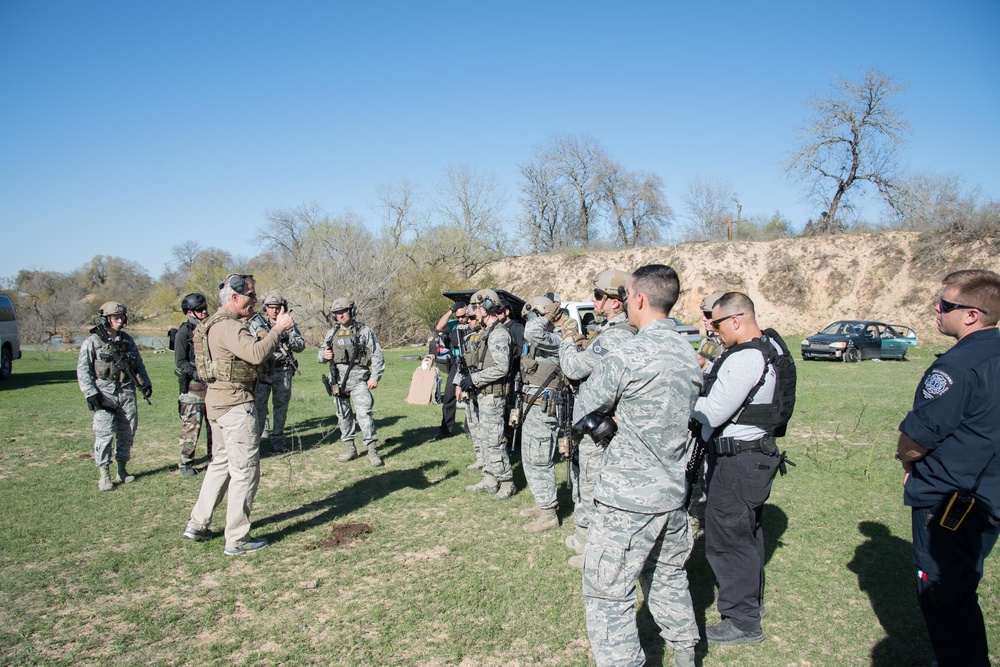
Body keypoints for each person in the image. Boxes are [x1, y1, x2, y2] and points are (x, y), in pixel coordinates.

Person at [580, 264, 702, 667]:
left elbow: (586, 406)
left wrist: (614, 418)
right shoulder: (688, 354)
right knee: (667, 577)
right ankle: (685, 653)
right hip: (672, 493)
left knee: (608, 595)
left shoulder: (628, 353)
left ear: (639, 299)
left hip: (628, 499)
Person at [896, 269, 1000, 667]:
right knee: (963, 583)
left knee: (944, 595)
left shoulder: (957, 367)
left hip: (952, 503)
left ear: (972, 315)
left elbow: (917, 439)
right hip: (987, 496)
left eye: (945, 305)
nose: (936, 310)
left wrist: (906, 459)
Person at [691, 292, 784, 644]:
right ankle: (749, 606)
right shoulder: (761, 349)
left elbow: (713, 412)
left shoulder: (745, 357)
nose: (712, 330)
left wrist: (684, 400)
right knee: (746, 534)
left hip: (739, 461)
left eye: (715, 323)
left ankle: (741, 620)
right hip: (749, 458)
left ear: (735, 319)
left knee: (728, 539)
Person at [183, 274, 294, 555]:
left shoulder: (212, 325)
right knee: (244, 471)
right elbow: (256, 355)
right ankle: (237, 539)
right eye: (251, 296)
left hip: (217, 403)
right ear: (234, 298)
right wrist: (277, 329)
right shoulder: (230, 327)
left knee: (219, 464)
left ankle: (198, 523)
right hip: (235, 406)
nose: (255, 300)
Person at [560, 269, 637, 568]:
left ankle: (594, 547)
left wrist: (567, 340)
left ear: (615, 302)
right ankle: (584, 539)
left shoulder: (616, 335)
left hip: (600, 425)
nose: (594, 301)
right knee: (586, 480)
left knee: (594, 485)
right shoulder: (610, 331)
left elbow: (574, 369)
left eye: (597, 296)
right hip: (594, 422)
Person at [77, 301, 153, 491]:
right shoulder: (93, 341)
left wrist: (145, 383)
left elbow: (139, 364)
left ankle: (122, 468)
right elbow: (83, 370)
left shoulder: (127, 340)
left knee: (128, 431)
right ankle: (104, 474)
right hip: (104, 393)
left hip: (126, 391)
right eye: (115, 318)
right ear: (105, 319)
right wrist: (90, 393)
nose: (119, 321)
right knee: (104, 434)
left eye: (121, 317)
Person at [459, 288, 515, 500]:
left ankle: (507, 481)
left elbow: (501, 367)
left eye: (475, 307)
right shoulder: (486, 333)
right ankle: (490, 478)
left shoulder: (499, 334)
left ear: (487, 307)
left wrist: (474, 379)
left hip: (493, 396)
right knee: (484, 439)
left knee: (494, 440)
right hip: (482, 394)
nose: (473, 312)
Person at [516, 295, 565, 532]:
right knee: (530, 456)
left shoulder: (556, 338)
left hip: (545, 406)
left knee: (540, 457)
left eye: (535, 315)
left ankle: (549, 514)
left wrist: (543, 315)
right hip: (531, 405)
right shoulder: (542, 338)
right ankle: (542, 503)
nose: (531, 320)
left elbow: (533, 333)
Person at [318, 297, 386, 466]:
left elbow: (376, 354)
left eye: (343, 311)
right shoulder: (332, 333)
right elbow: (321, 353)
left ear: (352, 311)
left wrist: (375, 377)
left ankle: (372, 450)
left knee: (364, 415)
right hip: (338, 383)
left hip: (359, 380)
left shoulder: (364, 331)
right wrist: (323, 356)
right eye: (337, 313)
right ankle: (350, 448)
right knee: (343, 416)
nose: (340, 315)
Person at [248, 293, 305, 453]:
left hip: (283, 369)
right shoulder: (257, 324)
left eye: (277, 308)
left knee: (281, 406)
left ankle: (278, 438)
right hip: (263, 371)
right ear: (266, 308)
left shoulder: (289, 324)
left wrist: (287, 337)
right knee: (259, 405)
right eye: (271, 307)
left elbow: (300, 346)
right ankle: (258, 439)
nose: (274, 311)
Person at [174, 292, 212, 477]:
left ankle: (216, 458)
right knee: (191, 426)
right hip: (193, 388)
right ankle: (185, 463)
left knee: (214, 424)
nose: (204, 311)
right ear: (190, 312)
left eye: (205, 308)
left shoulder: (210, 328)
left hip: (211, 385)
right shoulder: (183, 332)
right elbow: (180, 362)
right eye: (199, 309)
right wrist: (197, 373)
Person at [433, 301, 470, 440]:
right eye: (458, 316)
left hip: (470, 365)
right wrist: (451, 310)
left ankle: (469, 429)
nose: (461, 319)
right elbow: (439, 326)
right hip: (456, 364)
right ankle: (446, 429)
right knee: (448, 396)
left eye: (463, 316)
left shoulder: (474, 323)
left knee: (469, 397)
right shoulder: (454, 324)